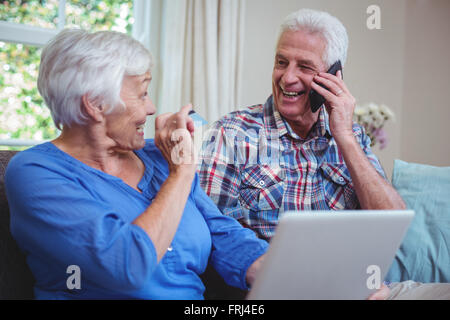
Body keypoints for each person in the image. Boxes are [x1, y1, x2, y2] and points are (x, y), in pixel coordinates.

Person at [199, 8, 450, 299]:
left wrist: (344, 137)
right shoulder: (232, 133)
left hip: (364, 291)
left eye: (304, 67)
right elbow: (210, 232)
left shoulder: (350, 136)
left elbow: (392, 222)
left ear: (333, 76)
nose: (287, 77)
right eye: (282, 62)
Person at [4, 29, 268, 299]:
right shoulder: (35, 173)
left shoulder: (160, 157)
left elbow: (222, 233)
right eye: (142, 94)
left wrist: (278, 271)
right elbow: (127, 266)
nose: (152, 107)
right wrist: (181, 173)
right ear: (95, 104)